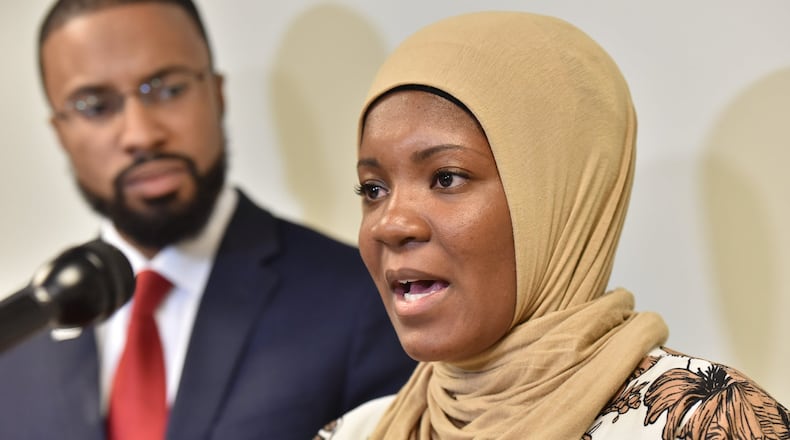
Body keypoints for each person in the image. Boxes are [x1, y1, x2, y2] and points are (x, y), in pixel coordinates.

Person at [315, 11, 790, 440]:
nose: (390, 224)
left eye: (446, 178)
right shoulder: (356, 432)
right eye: (373, 189)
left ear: (560, 200)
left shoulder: (709, 424)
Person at [0, 1, 415, 439]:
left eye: (167, 89)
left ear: (217, 94)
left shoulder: (364, 301)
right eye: (95, 106)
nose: (141, 134)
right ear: (60, 132)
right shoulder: (20, 338)